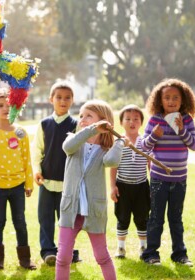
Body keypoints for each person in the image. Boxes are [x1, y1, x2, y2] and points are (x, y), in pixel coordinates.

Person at [56, 100, 128, 280]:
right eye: (81, 115)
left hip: (94, 211)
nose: (83, 119)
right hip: (70, 209)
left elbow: (112, 162)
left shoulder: (105, 150)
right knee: (63, 256)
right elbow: (67, 147)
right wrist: (92, 128)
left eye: (89, 115)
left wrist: (119, 144)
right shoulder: (72, 140)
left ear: (104, 122)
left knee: (101, 256)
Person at [140, 78, 195, 267]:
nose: (171, 101)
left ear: (183, 100)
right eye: (167, 98)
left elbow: (194, 145)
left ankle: (179, 254)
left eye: (175, 98)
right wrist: (153, 136)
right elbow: (143, 146)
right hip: (159, 179)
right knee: (156, 217)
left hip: (180, 180)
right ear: (160, 100)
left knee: (176, 218)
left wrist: (182, 130)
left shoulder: (187, 119)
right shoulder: (155, 120)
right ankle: (150, 253)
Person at [0, 88, 36, 271]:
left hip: (18, 186)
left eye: (9, 105)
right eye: (0, 105)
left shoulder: (21, 131)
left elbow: (26, 159)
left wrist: (28, 183)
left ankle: (25, 259)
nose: (5, 108)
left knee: (20, 221)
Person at [32, 81, 80, 266]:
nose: (63, 101)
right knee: (45, 218)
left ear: (72, 101)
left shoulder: (75, 125)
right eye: (58, 97)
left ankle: (68, 250)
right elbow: (37, 150)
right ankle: (48, 251)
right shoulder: (44, 124)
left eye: (67, 98)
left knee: (67, 220)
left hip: (68, 183)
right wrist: (37, 171)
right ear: (50, 99)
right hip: (46, 181)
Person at [110, 104, 150, 259]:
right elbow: (113, 166)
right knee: (122, 217)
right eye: (127, 119)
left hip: (141, 186)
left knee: (142, 217)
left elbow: (150, 165)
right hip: (123, 186)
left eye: (136, 119)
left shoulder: (145, 142)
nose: (132, 122)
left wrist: (152, 185)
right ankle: (120, 248)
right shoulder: (118, 142)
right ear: (121, 122)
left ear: (141, 122)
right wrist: (113, 186)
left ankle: (143, 247)